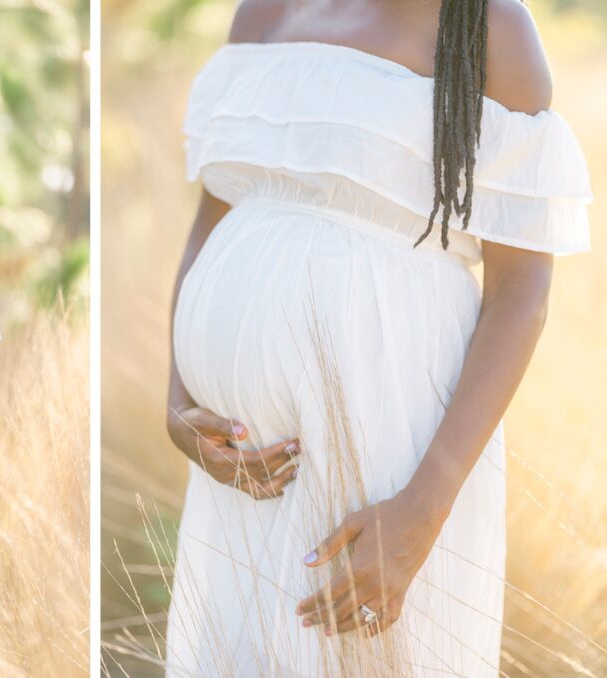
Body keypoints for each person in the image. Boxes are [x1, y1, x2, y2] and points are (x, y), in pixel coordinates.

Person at [164, 0, 592, 675]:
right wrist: (177, 403)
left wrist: (423, 512)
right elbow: (212, 217)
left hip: (396, 450)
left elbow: (521, 291)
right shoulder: (264, 12)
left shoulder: (491, 30)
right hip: (240, 473)